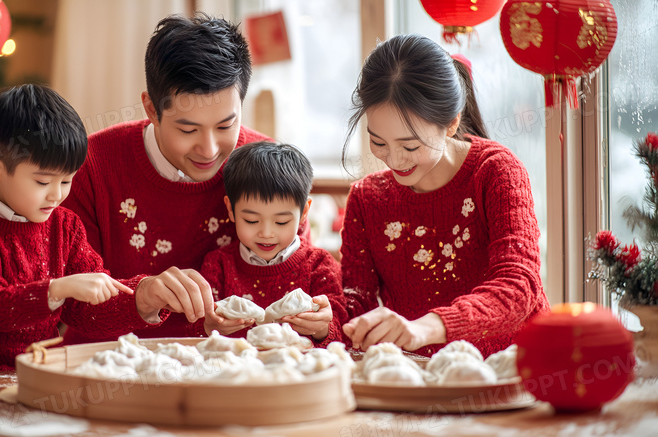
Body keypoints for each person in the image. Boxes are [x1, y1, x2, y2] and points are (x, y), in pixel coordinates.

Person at [61, 13, 307, 344]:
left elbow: (300, 278)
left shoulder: (272, 168)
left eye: (225, 126)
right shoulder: (92, 165)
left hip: (233, 372)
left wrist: (315, 316)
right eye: (187, 129)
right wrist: (142, 295)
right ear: (151, 109)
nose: (208, 149)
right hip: (106, 368)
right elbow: (69, 304)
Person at [340, 34, 550, 358]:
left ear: (451, 123)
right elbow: (357, 308)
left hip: (514, 375)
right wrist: (325, 322)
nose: (394, 161)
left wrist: (425, 328)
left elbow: (518, 287)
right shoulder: (367, 200)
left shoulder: (495, 172)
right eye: (378, 142)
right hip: (423, 387)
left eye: (410, 146)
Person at [0, 84, 171, 373]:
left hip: (40, 372)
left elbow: (90, 314)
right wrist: (58, 289)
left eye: (66, 181)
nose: (56, 195)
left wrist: (144, 298)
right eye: (42, 182)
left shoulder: (67, 226)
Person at [194, 142, 347, 346]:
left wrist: (321, 329)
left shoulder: (319, 264)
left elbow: (342, 334)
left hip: (297, 373)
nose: (266, 233)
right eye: (251, 221)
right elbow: (195, 330)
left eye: (281, 222)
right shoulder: (218, 265)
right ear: (230, 209)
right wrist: (209, 326)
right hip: (234, 374)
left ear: (303, 213)